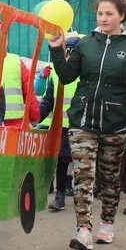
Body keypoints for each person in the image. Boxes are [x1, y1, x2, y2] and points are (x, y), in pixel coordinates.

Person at [47, 0, 126, 250]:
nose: (103, 18)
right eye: (100, 13)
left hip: (116, 124)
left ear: (122, 16)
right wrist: (57, 49)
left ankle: (107, 224)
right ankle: (83, 230)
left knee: (110, 178)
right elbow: (67, 76)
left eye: (109, 14)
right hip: (83, 121)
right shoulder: (86, 44)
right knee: (83, 175)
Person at [36, 33, 82, 210]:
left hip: (81, 126)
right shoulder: (56, 72)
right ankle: (60, 196)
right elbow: (48, 100)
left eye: (72, 52)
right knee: (62, 161)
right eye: (66, 52)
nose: (69, 56)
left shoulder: (83, 73)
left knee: (82, 163)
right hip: (61, 126)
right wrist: (36, 117)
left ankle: (85, 195)